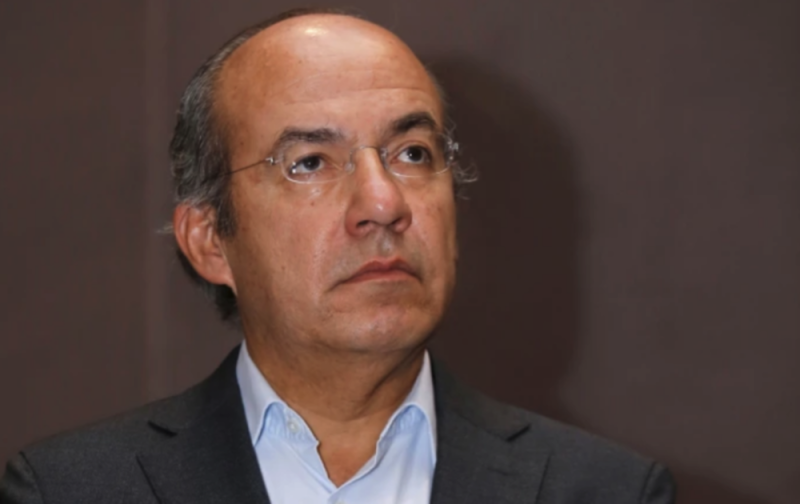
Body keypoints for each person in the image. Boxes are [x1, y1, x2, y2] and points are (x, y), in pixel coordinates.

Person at [0, 7, 676, 504]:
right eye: (309, 162)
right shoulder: (71, 490)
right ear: (210, 241)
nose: (383, 203)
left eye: (413, 153)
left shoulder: (607, 491)